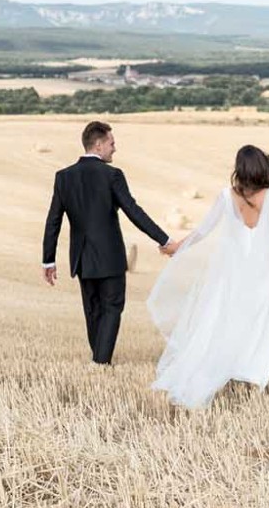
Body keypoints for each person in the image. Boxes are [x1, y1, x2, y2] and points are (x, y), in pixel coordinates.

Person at [146, 144, 269, 409]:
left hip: (232, 271)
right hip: (262, 270)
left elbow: (202, 231)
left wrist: (177, 248)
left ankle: (232, 367)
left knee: (226, 317)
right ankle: (253, 372)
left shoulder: (226, 195)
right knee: (261, 321)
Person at [41, 121, 180, 364]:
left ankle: (99, 358)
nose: (115, 148)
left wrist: (48, 260)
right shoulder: (112, 175)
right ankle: (100, 363)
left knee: (93, 311)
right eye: (112, 143)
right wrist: (165, 240)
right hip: (110, 256)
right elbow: (134, 212)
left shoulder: (64, 177)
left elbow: (53, 221)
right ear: (99, 144)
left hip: (82, 258)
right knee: (112, 308)